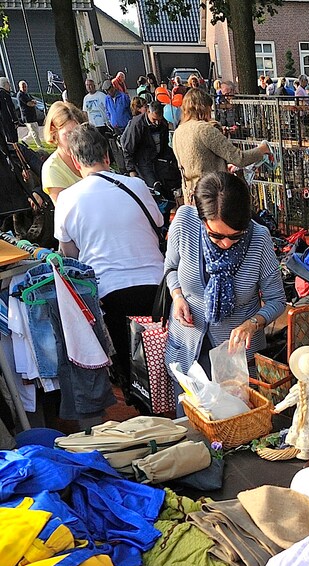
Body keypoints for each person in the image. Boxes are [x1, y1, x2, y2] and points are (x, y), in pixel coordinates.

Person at [54, 123, 164, 386]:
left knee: (129, 367)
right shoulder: (136, 186)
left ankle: (135, 401)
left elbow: (69, 257)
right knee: (162, 356)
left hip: (109, 293)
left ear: (75, 162)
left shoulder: (67, 199)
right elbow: (158, 225)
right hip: (156, 285)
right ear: (107, 155)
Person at [165, 171, 285, 391]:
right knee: (189, 419)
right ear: (202, 220)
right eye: (217, 236)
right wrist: (178, 295)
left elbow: (276, 300)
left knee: (237, 420)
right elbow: (171, 268)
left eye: (236, 236)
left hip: (237, 357)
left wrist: (253, 323)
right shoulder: (184, 223)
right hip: (188, 347)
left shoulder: (259, 238)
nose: (227, 243)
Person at [172, 89, 269, 204]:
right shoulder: (204, 129)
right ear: (204, 107)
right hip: (213, 195)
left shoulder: (177, 132)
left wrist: (222, 165)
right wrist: (262, 149)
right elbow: (239, 158)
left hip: (191, 195)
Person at [41, 101, 87, 203]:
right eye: (68, 134)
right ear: (54, 133)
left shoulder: (89, 154)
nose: (74, 140)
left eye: (77, 132)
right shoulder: (52, 169)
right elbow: (66, 212)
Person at [120, 100, 171, 189]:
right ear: (148, 112)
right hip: (142, 161)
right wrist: (131, 170)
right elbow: (128, 148)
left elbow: (165, 144)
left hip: (158, 159)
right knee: (154, 187)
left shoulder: (163, 123)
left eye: (159, 120)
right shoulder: (137, 124)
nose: (157, 123)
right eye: (154, 119)